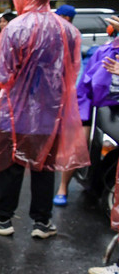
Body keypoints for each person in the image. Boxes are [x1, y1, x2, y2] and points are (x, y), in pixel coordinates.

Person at [0, 0, 88, 239]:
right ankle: (42, 222)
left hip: (15, 113)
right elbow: (71, 72)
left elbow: (0, 75)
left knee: (10, 165)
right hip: (50, 114)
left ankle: (3, 218)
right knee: (44, 167)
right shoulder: (68, 30)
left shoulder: (15, 28)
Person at [55, 16, 119, 206]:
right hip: (99, 109)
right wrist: (82, 116)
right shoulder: (104, 52)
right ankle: (63, 186)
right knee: (79, 144)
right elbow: (86, 87)